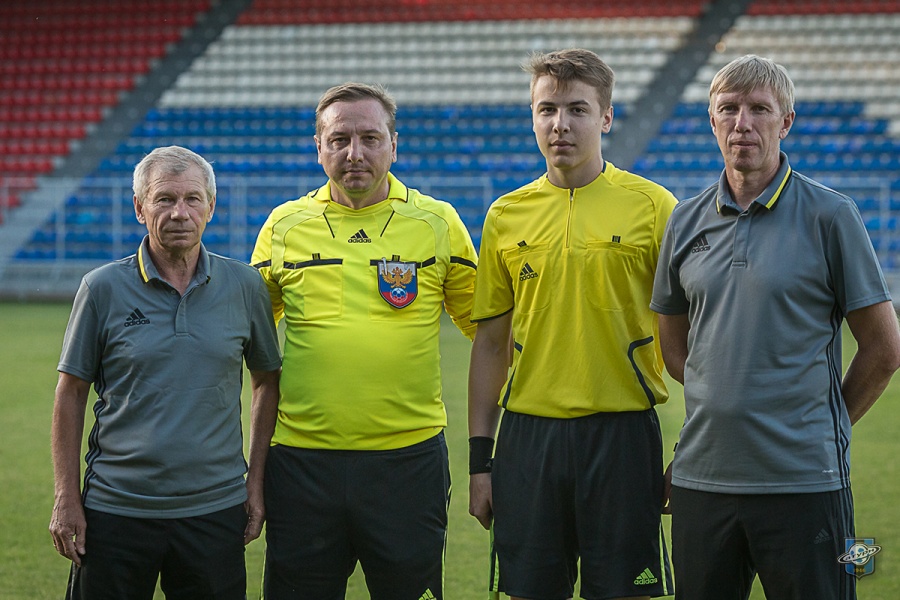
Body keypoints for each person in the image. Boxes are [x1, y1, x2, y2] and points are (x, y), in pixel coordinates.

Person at [650, 54, 900, 600]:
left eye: (759, 109)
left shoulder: (831, 215)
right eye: (729, 109)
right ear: (712, 121)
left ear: (785, 121)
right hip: (701, 482)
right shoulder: (684, 220)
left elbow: (884, 349)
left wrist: (827, 425)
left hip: (804, 482)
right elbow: (676, 351)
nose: (742, 123)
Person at [249, 82, 477, 600]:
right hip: (302, 465)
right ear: (319, 147)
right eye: (340, 139)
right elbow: (245, 336)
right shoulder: (284, 226)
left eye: (370, 138)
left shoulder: (437, 222)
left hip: (407, 463)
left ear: (394, 145)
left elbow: (486, 331)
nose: (355, 153)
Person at [468, 48, 676, 600]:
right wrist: (479, 464)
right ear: (533, 117)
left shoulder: (654, 207)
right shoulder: (504, 214)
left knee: (625, 592)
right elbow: (490, 345)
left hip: (623, 437)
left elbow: (694, 338)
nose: (560, 124)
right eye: (547, 109)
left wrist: (693, 447)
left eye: (577, 109)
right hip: (528, 440)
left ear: (606, 117)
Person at [49, 145, 282, 599]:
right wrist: (66, 496)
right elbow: (70, 392)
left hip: (215, 509)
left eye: (192, 199)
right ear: (140, 207)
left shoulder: (245, 286)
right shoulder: (101, 288)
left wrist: (255, 483)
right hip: (116, 509)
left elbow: (266, 382)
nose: (180, 212)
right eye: (164, 199)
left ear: (210, 207)